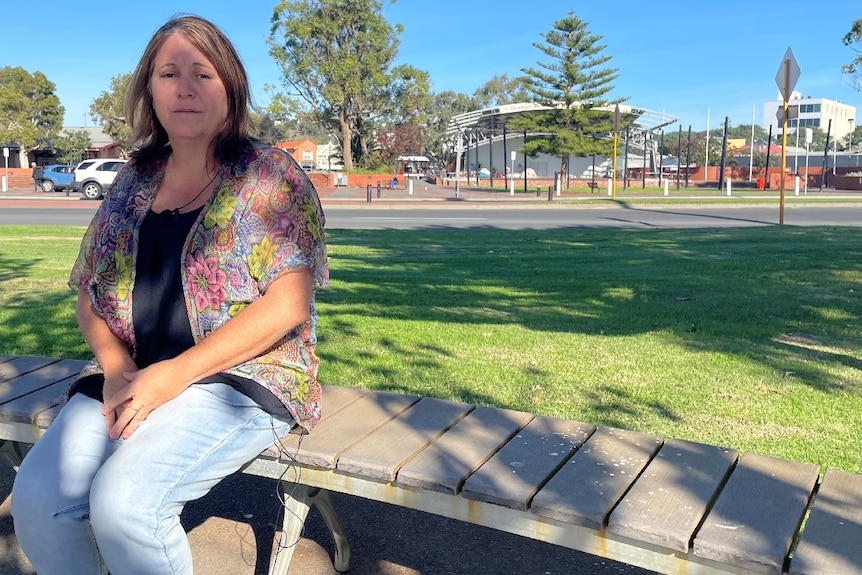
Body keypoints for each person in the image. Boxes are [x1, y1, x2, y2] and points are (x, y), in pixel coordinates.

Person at [11, 14, 328, 575]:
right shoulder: (133, 179)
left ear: (230, 86)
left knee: (127, 505)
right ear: (148, 90)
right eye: (168, 73)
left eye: (202, 73)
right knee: (39, 501)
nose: (184, 87)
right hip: (131, 374)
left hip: (243, 379)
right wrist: (115, 367)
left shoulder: (269, 176)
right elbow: (91, 289)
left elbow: (288, 304)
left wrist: (173, 376)